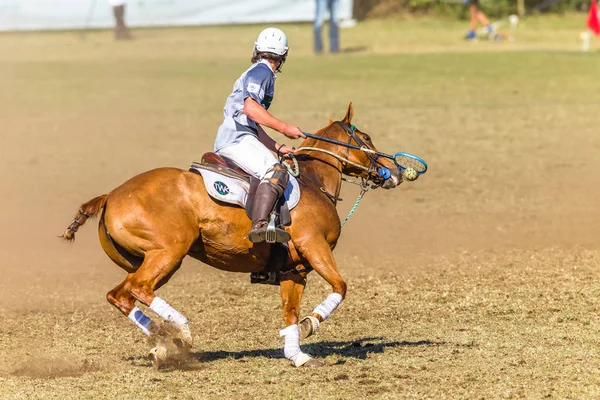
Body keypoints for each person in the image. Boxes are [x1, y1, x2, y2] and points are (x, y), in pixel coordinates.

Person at [214, 27, 306, 244]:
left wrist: (277, 147)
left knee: (274, 163)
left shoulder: (256, 71)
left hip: (238, 136)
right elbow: (251, 110)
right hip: (236, 139)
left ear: (257, 49)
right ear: (283, 55)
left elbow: (251, 123)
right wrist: (285, 128)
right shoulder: (262, 72)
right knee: (276, 171)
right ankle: (260, 227)